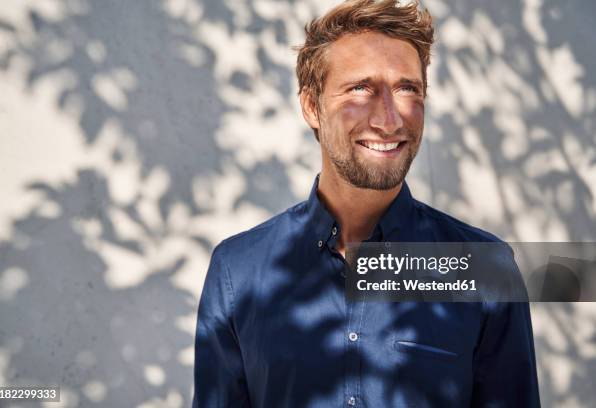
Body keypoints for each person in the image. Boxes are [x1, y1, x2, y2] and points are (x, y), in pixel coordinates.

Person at [193, 0, 540, 406]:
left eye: (407, 88)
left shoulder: (485, 269)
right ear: (311, 106)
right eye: (361, 88)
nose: (390, 120)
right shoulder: (237, 269)